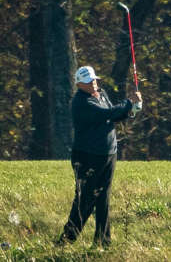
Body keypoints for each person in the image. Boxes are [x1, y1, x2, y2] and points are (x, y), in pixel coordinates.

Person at [58, 66, 142, 247]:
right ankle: (66, 241)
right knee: (85, 199)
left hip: (108, 153)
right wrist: (129, 102)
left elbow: (114, 115)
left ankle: (103, 242)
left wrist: (131, 110)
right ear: (79, 84)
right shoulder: (81, 102)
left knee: (103, 197)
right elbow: (106, 114)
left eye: (94, 79)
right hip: (87, 156)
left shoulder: (101, 94)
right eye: (89, 81)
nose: (93, 83)